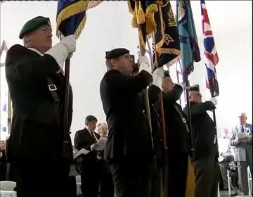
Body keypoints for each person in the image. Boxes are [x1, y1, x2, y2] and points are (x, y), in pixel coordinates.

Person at [5, 16, 76, 197]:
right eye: (43, 29)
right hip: (32, 149)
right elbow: (37, 69)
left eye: (50, 29)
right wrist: (63, 48)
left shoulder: (55, 68)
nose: (50, 33)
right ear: (28, 38)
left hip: (57, 151)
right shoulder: (18, 54)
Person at [100, 48, 154, 197]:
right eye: (126, 57)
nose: (131, 59)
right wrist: (144, 65)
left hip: (135, 147)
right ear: (114, 62)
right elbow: (141, 82)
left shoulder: (124, 82)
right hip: (123, 147)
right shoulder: (111, 77)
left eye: (131, 56)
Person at [183, 85, 220, 197]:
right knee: (203, 186)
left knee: (212, 185)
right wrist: (210, 103)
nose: (200, 96)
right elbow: (199, 109)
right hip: (201, 154)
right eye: (197, 94)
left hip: (210, 153)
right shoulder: (189, 109)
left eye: (200, 94)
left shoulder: (200, 110)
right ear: (189, 97)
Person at [74, 115, 101, 197]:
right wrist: (90, 147)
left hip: (96, 165)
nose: (94, 126)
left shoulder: (97, 135)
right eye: (93, 123)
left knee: (95, 189)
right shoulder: (80, 133)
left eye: (95, 124)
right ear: (87, 123)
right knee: (87, 189)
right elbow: (77, 146)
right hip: (86, 165)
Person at [230, 112, 252, 195]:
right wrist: (236, 141)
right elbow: (231, 142)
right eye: (239, 117)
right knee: (242, 177)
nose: (240, 119)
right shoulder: (234, 129)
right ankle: (245, 193)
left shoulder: (251, 126)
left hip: (250, 153)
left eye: (242, 117)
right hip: (240, 155)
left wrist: (248, 139)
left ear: (246, 118)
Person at [96, 122, 114, 197]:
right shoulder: (97, 139)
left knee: (111, 187)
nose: (105, 130)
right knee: (104, 187)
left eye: (106, 128)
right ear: (99, 130)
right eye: (103, 129)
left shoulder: (109, 138)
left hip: (110, 166)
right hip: (102, 167)